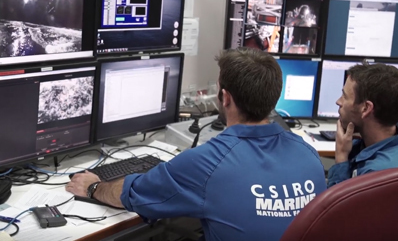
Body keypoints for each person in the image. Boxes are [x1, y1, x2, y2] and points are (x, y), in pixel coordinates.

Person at [66, 48, 327, 241]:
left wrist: (94, 187)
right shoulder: (308, 155)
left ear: (224, 98)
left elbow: (132, 193)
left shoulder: (208, 164)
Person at [328, 63, 398, 188]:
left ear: (366, 108)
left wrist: (341, 157)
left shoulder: (375, 175)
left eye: (344, 96)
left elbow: (339, 207)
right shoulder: (373, 141)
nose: (338, 102)